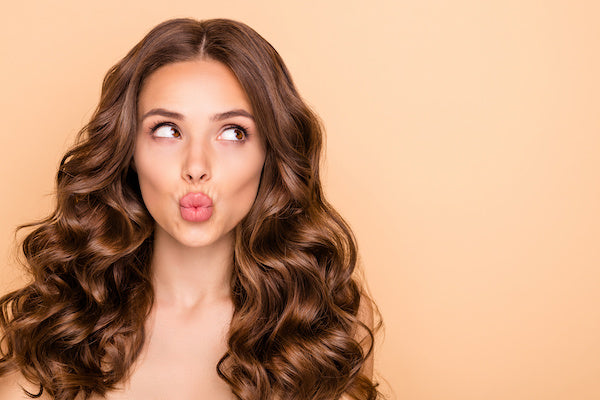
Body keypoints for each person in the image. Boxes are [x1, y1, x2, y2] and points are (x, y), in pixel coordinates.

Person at [0, 17, 382, 400]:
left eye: (233, 132)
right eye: (168, 130)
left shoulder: (323, 322)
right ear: (128, 150)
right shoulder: (61, 317)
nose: (196, 167)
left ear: (269, 152)